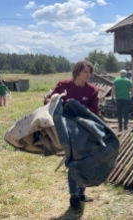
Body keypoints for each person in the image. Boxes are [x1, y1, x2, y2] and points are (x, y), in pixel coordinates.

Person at [44, 60, 98, 210]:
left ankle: (81, 192)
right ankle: (73, 195)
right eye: (86, 72)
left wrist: (77, 108)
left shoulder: (92, 90)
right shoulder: (64, 86)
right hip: (67, 131)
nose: (89, 75)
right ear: (77, 72)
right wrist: (53, 100)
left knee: (85, 162)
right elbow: (48, 100)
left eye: (90, 72)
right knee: (73, 161)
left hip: (85, 130)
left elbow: (94, 111)